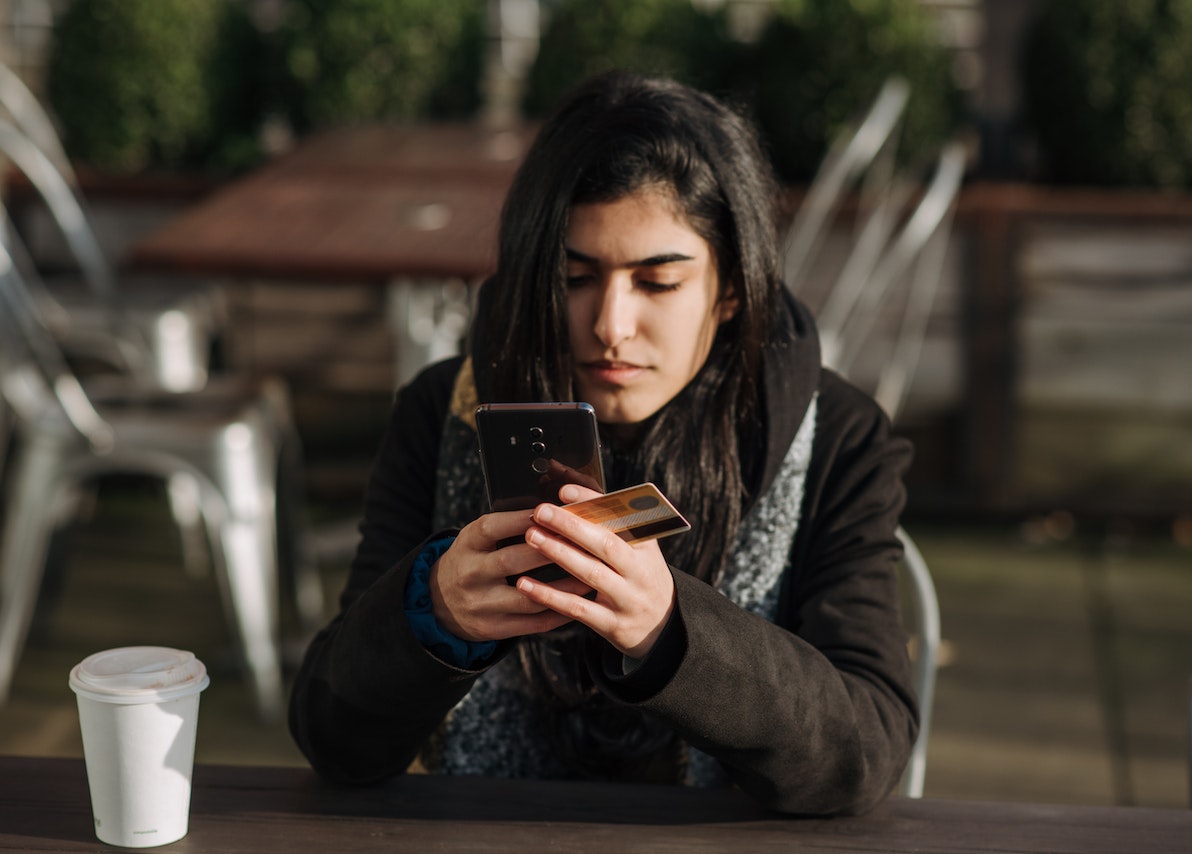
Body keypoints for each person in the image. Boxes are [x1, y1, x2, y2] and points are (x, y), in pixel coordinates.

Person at [288, 71, 917, 816]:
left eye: (657, 283)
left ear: (731, 289)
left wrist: (673, 634)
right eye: (573, 277)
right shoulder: (443, 410)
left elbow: (865, 752)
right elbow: (333, 739)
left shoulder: (835, 436)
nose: (610, 325)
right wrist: (433, 616)